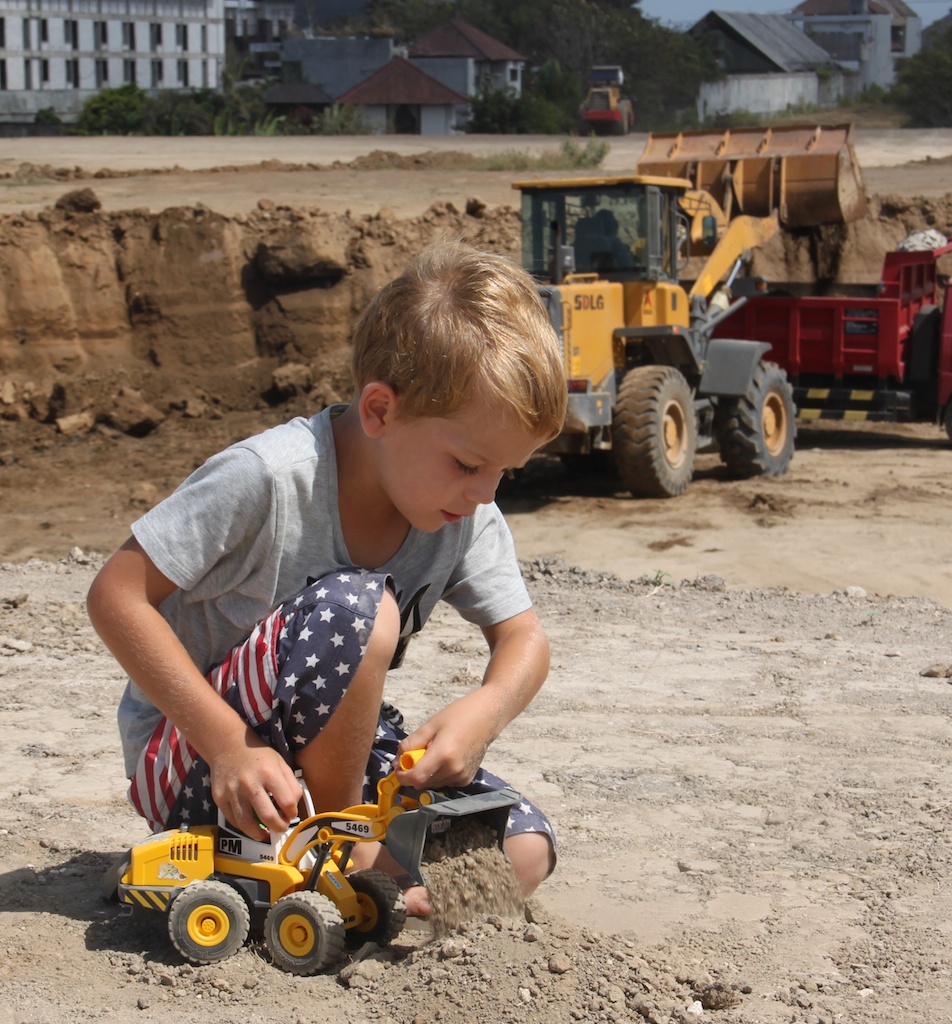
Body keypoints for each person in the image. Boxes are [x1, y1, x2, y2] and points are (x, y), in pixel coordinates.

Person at [86, 239, 568, 917]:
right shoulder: (269, 477)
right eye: (467, 463)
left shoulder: (465, 513)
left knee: (524, 848)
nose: (485, 492)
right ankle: (340, 863)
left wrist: (485, 712)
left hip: (330, 772)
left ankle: (350, 887)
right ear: (379, 410)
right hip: (203, 766)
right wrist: (227, 745)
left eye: (504, 473)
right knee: (361, 607)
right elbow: (115, 595)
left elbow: (525, 639)